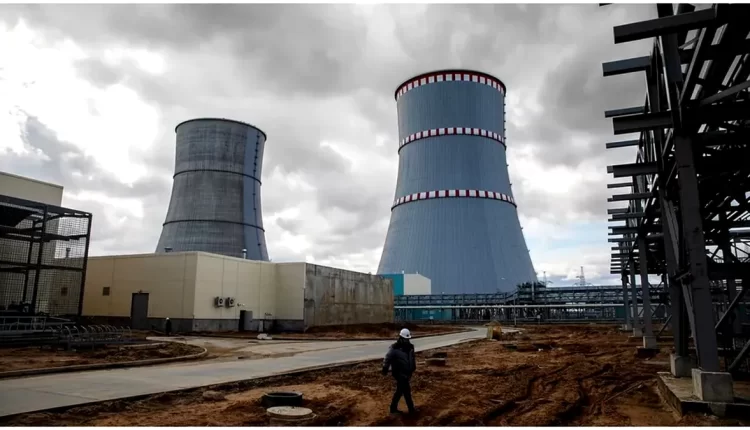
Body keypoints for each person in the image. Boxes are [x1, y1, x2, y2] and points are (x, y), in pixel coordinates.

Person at [381, 328, 417, 415]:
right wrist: (385, 368)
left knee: (400, 391)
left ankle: (393, 408)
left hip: (408, 372)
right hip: (399, 373)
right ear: (401, 338)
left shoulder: (410, 347)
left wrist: (413, 367)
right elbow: (387, 358)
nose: (407, 341)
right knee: (406, 391)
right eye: (405, 339)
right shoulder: (395, 348)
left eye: (408, 339)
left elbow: (412, 358)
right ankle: (411, 410)